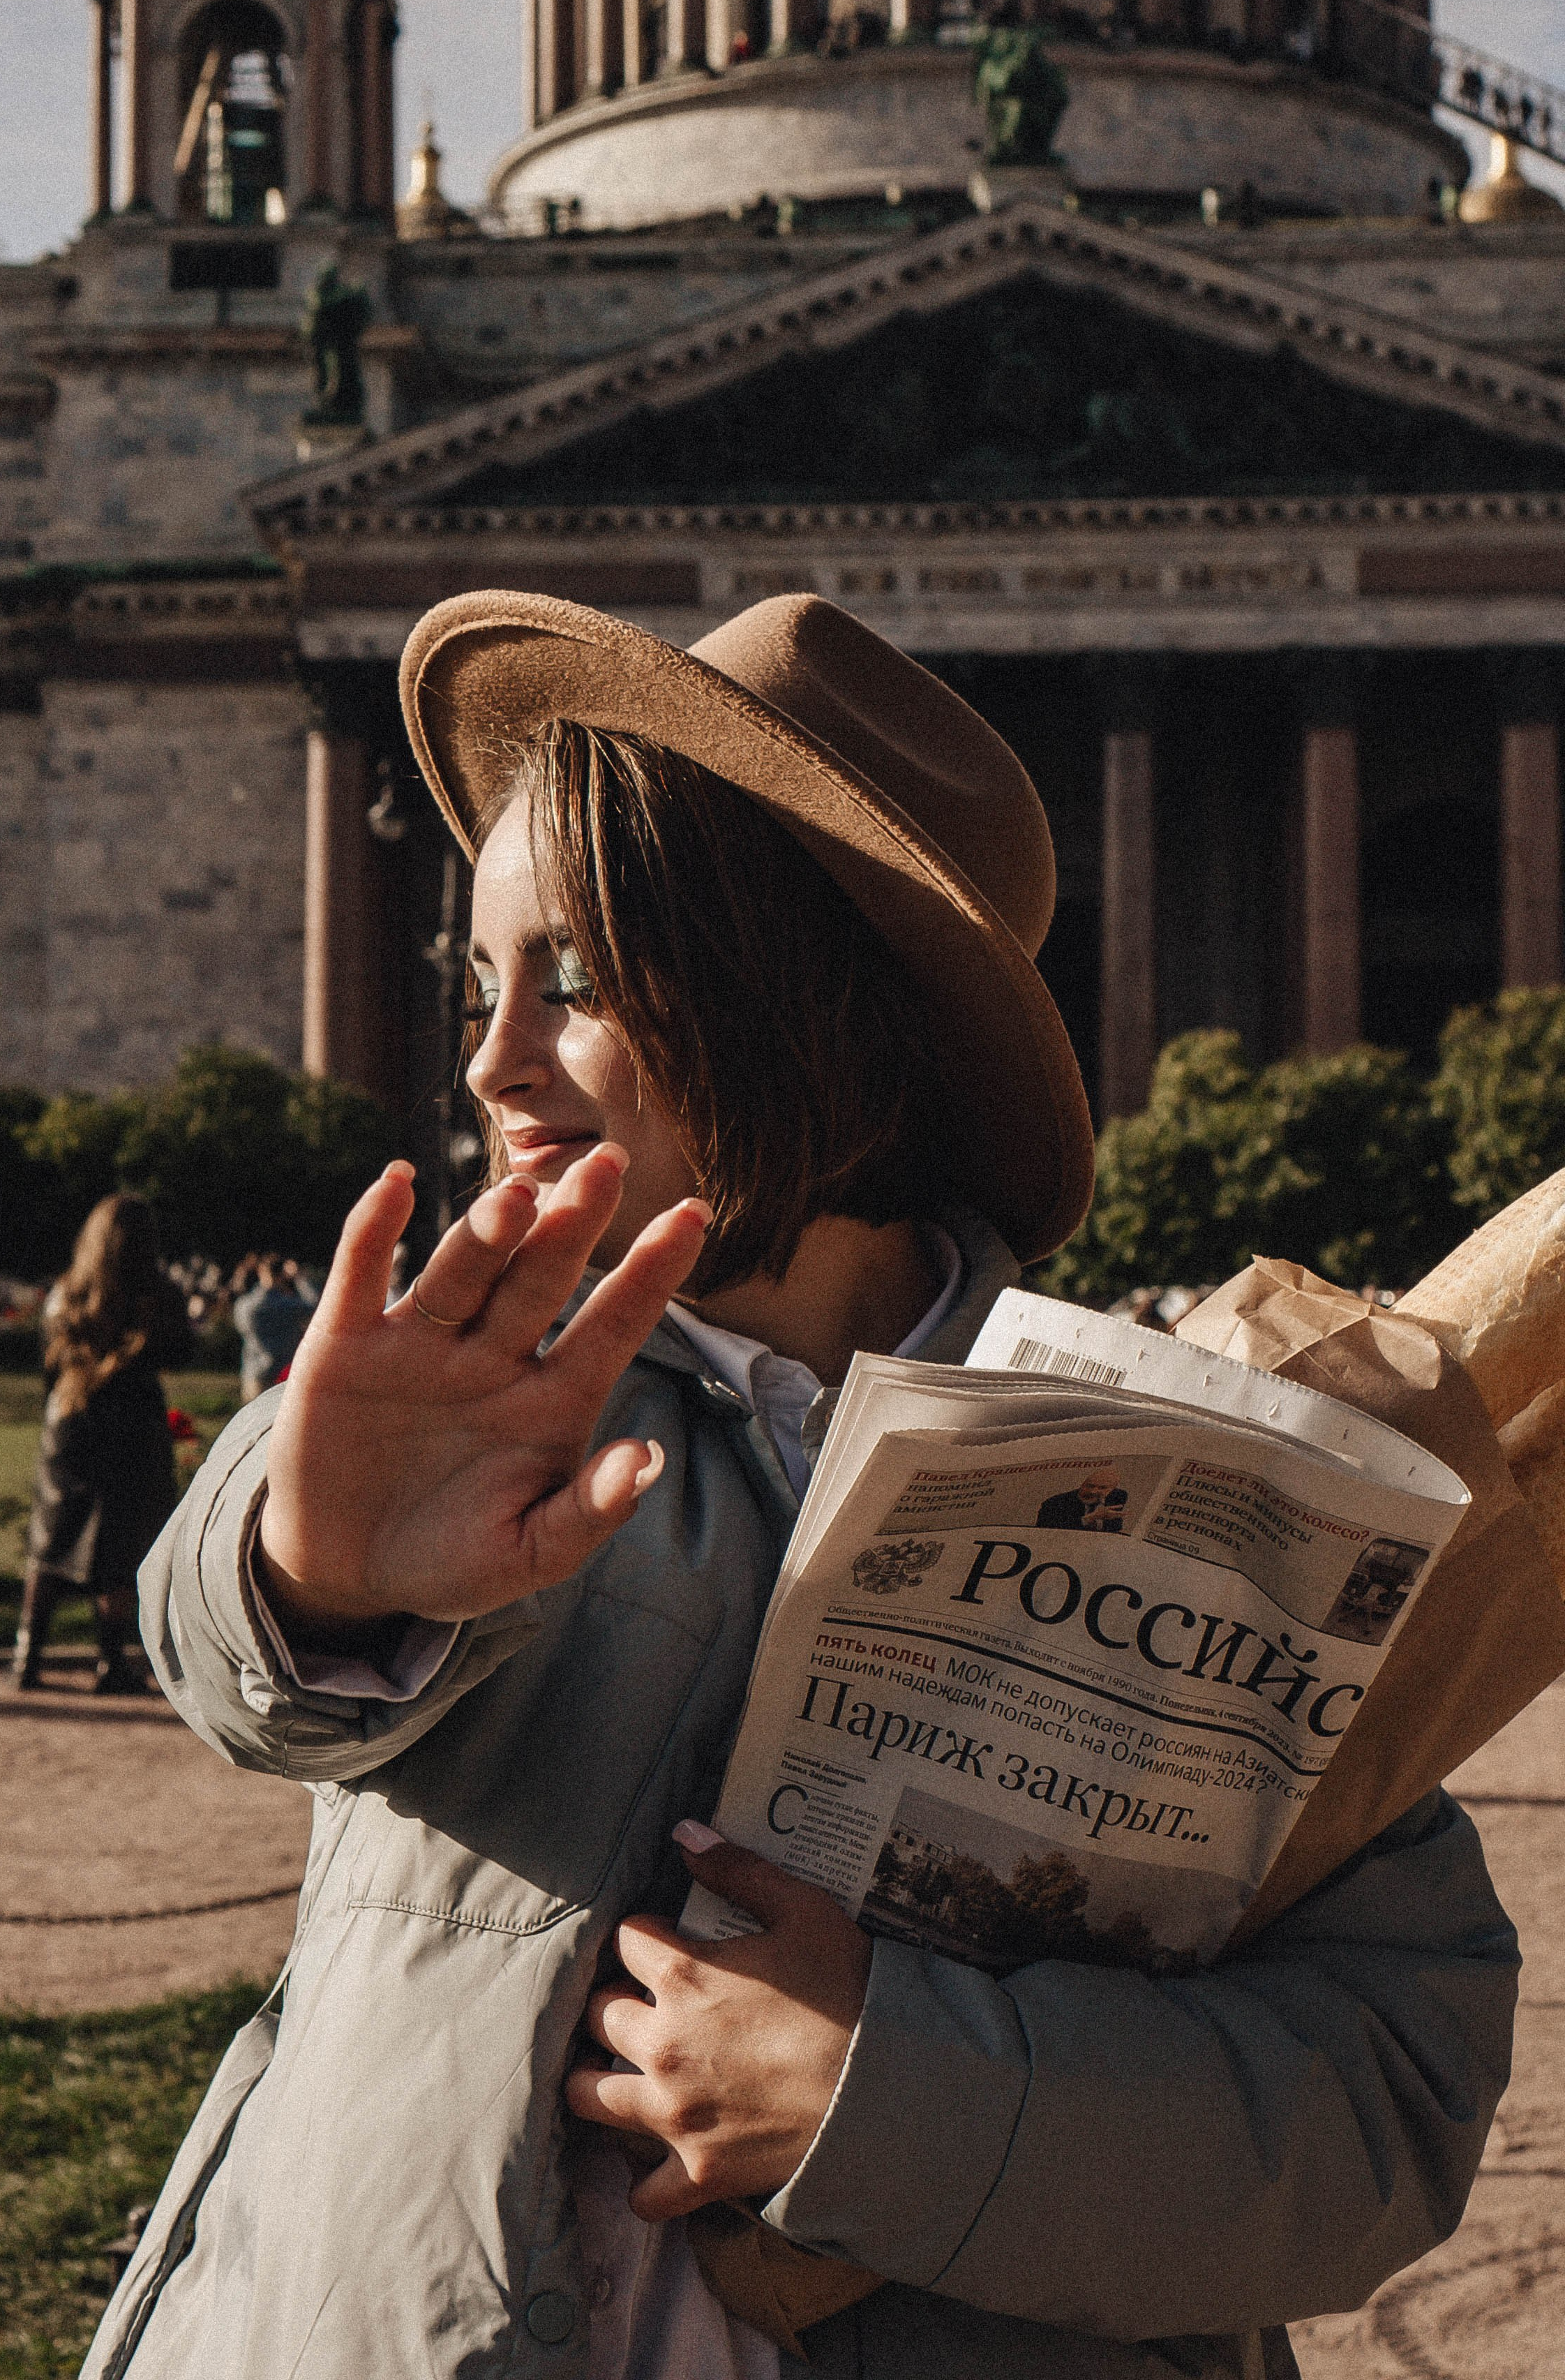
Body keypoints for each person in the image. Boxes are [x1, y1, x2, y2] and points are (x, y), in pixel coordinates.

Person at [87, 595, 1517, 2380]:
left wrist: (880, 2093)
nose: (489, 1058)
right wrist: (315, 1570)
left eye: (578, 980)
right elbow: (227, 1639)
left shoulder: (1200, 1485)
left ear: (814, 1003)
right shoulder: (490, 1392)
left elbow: (1384, 2089)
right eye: (480, 984)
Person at [12, 1194, 190, 1695]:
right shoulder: (157, 1294)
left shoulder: (67, 1292)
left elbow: (48, 1366)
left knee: (51, 1539)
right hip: (132, 1424)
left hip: (70, 1421)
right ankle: (111, 1662)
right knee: (119, 1543)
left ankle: (27, 1656)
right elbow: (179, 1350)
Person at [231, 1254, 318, 1401]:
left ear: (261, 1273)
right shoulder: (288, 1305)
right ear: (282, 1275)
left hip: (255, 1372)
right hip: (284, 1373)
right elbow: (316, 1305)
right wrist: (300, 1278)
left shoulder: (245, 1305)